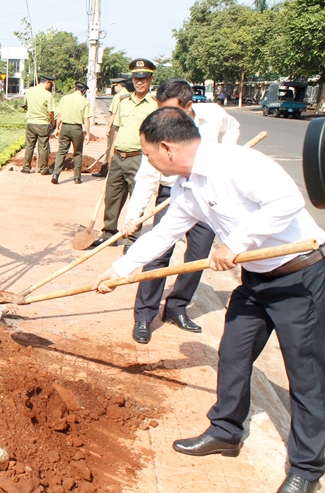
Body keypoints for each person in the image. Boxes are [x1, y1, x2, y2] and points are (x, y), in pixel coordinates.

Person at [94, 107, 325, 493]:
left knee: (307, 375)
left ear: (166, 148)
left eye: (149, 155)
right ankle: (226, 430)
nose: (148, 161)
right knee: (233, 353)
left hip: (297, 279)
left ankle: (306, 467)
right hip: (256, 282)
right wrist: (120, 271)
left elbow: (285, 202)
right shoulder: (188, 186)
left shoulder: (236, 162)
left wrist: (237, 242)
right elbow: (164, 234)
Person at [121, 79, 240, 344]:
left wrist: (226, 155)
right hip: (172, 193)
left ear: (188, 106)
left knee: (198, 256)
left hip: (207, 195)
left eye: (173, 110)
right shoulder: (158, 128)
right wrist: (133, 216)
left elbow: (233, 128)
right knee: (158, 251)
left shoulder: (214, 116)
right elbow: (147, 175)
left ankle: (176, 308)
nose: (166, 117)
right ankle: (144, 315)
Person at [92, 59, 158, 248]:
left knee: (136, 198)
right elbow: (118, 128)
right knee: (112, 195)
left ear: (150, 79)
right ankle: (108, 233)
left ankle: (131, 238)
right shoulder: (123, 101)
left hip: (139, 157)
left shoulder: (154, 104)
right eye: (136, 78)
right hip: (119, 155)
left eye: (144, 78)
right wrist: (111, 153)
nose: (139, 82)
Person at [52, 81, 93, 184]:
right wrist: (87, 133)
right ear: (84, 91)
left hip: (65, 127)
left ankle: (56, 174)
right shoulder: (85, 101)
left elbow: (60, 115)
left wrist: (57, 128)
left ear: (75, 89)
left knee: (61, 151)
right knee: (78, 153)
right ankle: (77, 178)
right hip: (76, 129)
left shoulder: (65, 98)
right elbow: (86, 119)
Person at [94, 77, 130, 178]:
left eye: (115, 87)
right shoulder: (131, 96)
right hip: (127, 125)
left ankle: (106, 171)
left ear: (118, 86)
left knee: (111, 147)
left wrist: (108, 128)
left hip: (116, 125)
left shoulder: (118, 97)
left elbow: (113, 114)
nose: (114, 89)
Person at [21, 75, 55, 175]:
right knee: (43, 147)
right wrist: (52, 122)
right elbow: (50, 112)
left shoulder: (29, 91)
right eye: (51, 83)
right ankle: (44, 169)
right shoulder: (48, 95)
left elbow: (24, 105)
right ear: (47, 82)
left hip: (31, 123)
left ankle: (26, 167)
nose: (50, 86)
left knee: (29, 146)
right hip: (43, 124)